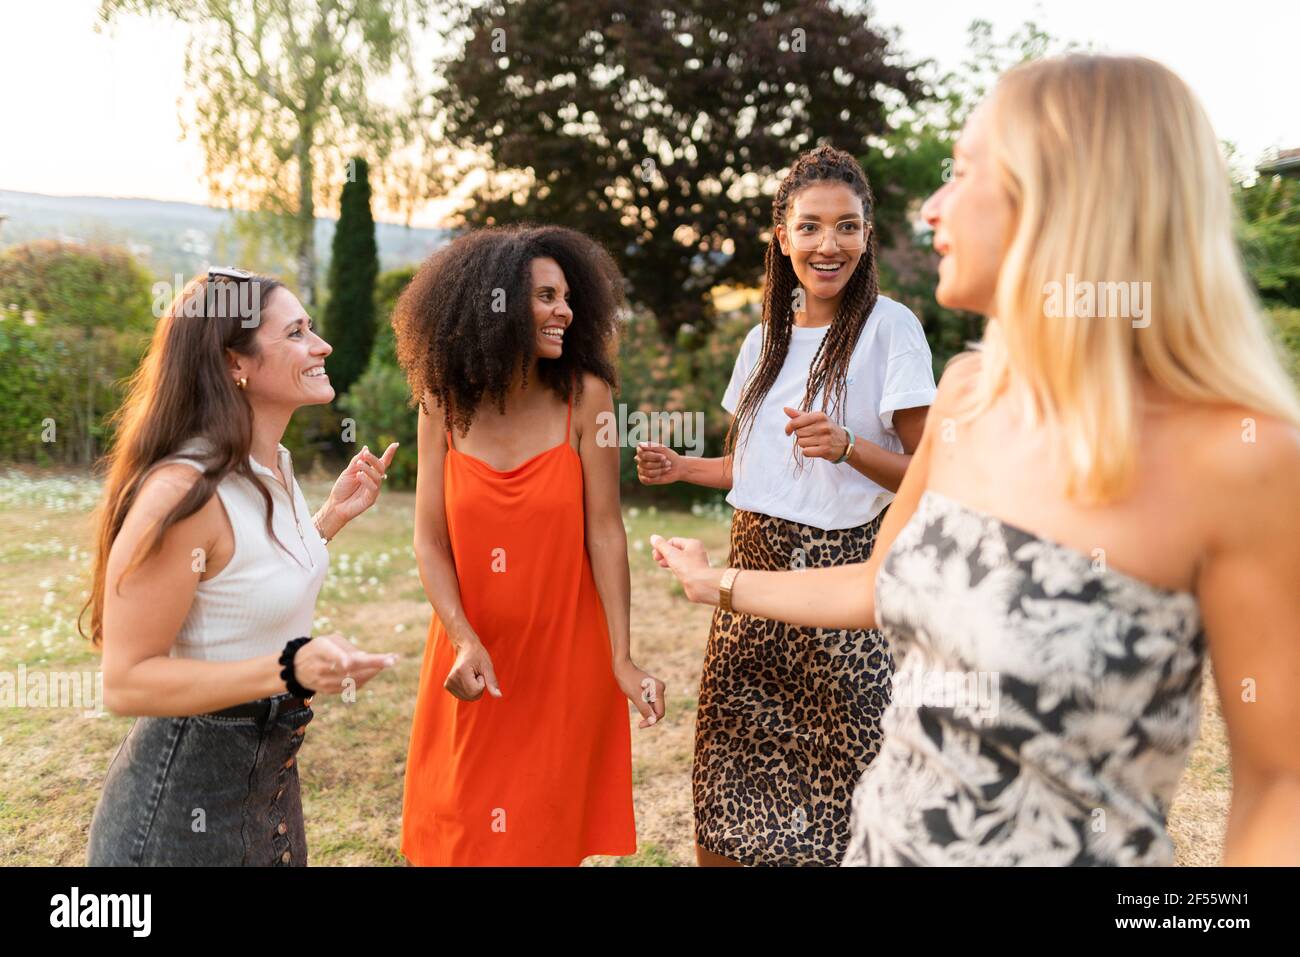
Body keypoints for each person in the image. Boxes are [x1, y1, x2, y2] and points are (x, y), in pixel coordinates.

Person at [650, 54, 1300, 866]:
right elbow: (874, 585)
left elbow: (1282, 784)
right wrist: (717, 582)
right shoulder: (967, 396)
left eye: (962, 173)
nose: (931, 205)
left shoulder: (1248, 461)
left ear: (1065, 196)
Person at [636, 144, 936, 866]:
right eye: (809, 226)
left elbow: (930, 475)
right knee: (729, 793)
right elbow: (750, 467)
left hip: (843, 595)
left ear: (867, 235)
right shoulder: (761, 341)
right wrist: (683, 466)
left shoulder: (890, 328)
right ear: (782, 236)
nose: (828, 244)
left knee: (851, 810)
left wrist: (848, 447)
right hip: (753, 582)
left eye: (847, 226)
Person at [84, 269, 400, 866]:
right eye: (298, 333)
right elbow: (125, 681)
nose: (322, 345)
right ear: (237, 363)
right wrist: (290, 669)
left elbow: (245, 583)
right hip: (178, 820)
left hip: (269, 795)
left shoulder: (272, 465)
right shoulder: (187, 491)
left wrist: (327, 520)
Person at [395, 225, 665, 865]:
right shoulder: (442, 403)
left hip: (564, 656)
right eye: (545, 296)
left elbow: (605, 530)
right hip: (473, 656)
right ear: (496, 304)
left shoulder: (586, 398)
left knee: (543, 837)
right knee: (460, 833)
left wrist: (622, 657)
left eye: (568, 297)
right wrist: (463, 635)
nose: (565, 312)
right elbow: (429, 538)